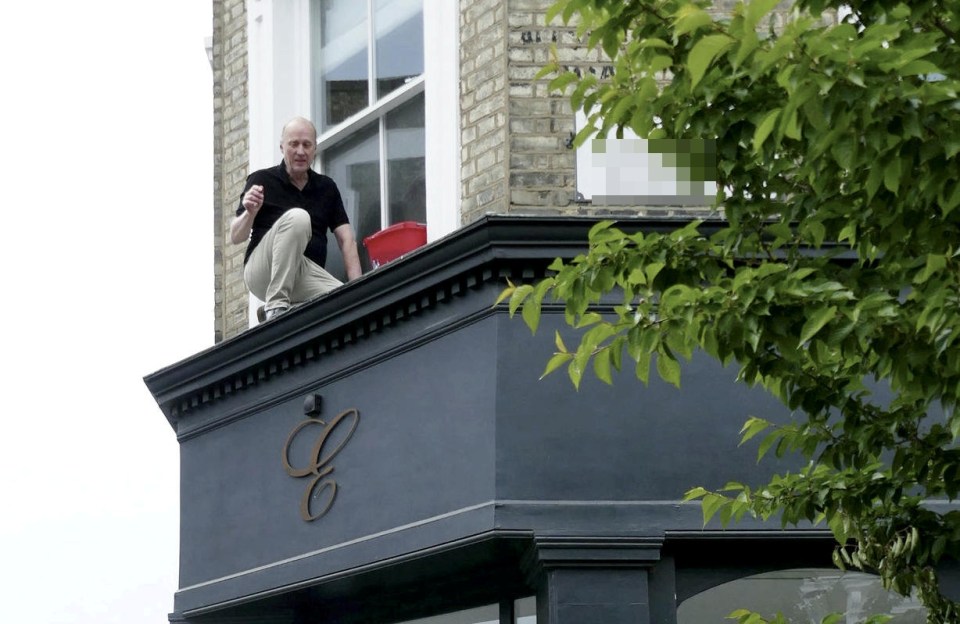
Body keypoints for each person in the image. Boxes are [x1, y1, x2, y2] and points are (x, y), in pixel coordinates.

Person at [231, 117, 362, 321]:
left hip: (303, 273)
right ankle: (276, 307)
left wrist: (359, 288)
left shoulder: (326, 188)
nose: (300, 151)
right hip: (264, 269)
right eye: (294, 144)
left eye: (307, 145)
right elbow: (236, 236)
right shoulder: (262, 180)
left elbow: (347, 240)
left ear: (314, 149)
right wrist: (249, 212)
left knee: (348, 304)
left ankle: (285, 309)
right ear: (282, 147)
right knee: (299, 218)